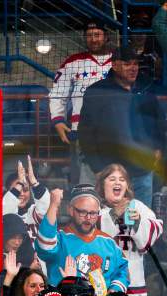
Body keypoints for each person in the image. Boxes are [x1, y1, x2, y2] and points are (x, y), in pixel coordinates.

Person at [78, 46, 165, 206]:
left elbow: (158, 121)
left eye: (136, 64)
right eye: (127, 64)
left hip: (141, 170)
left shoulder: (146, 87)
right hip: (109, 173)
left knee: (141, 221)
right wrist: (97, 168)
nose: (133, 68)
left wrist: (158, 148)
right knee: (108, 225)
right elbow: (86, 133)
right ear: (115, 65)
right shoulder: (97, 91)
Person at [49, 19, 113, 185]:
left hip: (114, 130)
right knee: (86, 179)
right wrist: (57, 120)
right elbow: (57, 92)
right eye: (89, 35)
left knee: (114, 177)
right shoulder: (72, 62)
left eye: (97, 34)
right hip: (82, 130)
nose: (93, 39)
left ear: (106, 37)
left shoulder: (118, 62)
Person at [36, 185, 129, 296]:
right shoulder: (59, 239)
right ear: (71, 210)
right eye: (82, 212)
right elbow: (45, 247)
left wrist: (115, 290)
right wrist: (54, 205)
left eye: (93, 213)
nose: (88, 218)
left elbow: (123, 271)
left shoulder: (109, 242)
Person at [96, 163, 164, 296]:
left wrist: (138, 222)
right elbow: (91, 234)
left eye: (122, 179)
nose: (117, 182)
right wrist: (114, 214)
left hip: (134, 286)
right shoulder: (94, 207)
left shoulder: (138, 206)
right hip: (103, 286)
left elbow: (147, 241)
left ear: (127, 186)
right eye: (112, 179)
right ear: (102, 184)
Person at [0, 157, 51, 243]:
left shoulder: (34, 211)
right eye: (18, 189)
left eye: (26, 190)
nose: (22, 194)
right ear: (8, 191)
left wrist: (34, 182)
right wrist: (20, 183)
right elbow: (4, 214)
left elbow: (46, 207)